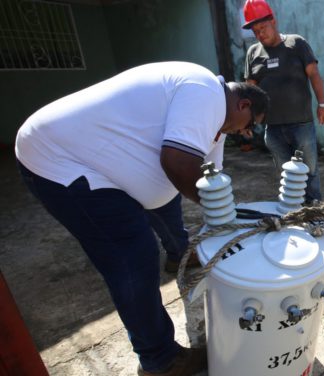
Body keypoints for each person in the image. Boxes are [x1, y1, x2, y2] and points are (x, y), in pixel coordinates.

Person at [15, 61, 268, 376]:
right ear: (243, 104)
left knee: (166, 202)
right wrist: (224, 216)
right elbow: (176, 163)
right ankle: (159, 360)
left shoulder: (215, 124)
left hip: (102, 159)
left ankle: (182, 255)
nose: (246, 133)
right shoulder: (204, 93)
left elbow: (209, 180)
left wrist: (232, 224)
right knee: (134, 257)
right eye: (250, 124)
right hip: (60, 161)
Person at [242, 0, 324, 206]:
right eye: (255, 31)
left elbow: (314, 74)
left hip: (302, 125)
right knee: (286, 175)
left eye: (262, 28)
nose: (259, 34)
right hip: (272, 129)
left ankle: (314, 209)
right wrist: (248, 123)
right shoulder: (253, 53)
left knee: (310, 171)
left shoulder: (296, 44)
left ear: (273, 21)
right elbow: (249, 92)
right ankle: (293, 210)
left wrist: (323, 104)